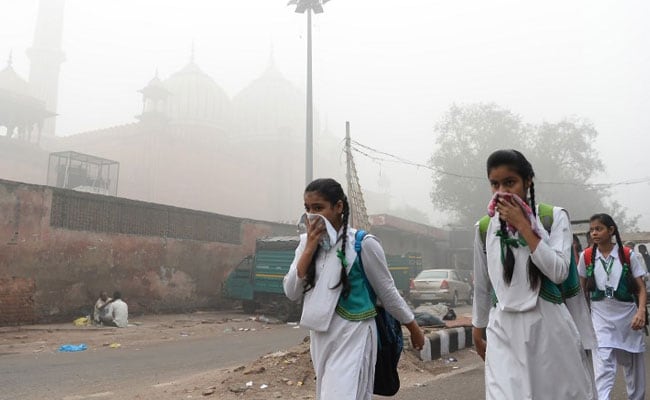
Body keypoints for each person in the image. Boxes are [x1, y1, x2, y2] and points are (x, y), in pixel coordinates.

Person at [283, 178, 425, 400]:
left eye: (318, 208)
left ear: (338, 207)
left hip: (355, 332)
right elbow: (291, 291)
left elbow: (388, 292)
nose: (312, 215)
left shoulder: (363, 243)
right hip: (321, 335)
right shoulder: (306, 244)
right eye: (308, 209)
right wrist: (309, 248)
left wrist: (413, 327)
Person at [472, 149, 596, 399]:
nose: (501, 192)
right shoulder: (484, 227)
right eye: (495, 184)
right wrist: (478, 327)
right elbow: (482, 285)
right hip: (503, 329)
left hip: (548, 328)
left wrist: (525, 227)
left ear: (528, 181)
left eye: (510, 182)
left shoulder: (553, 217)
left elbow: (559, 272)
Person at [578, 214, 646, 400]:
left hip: (628, 319)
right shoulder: (587, 256)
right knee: (603, 365)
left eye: (598, 229)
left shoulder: (627, 255)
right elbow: (580, 290)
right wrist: (582, 320)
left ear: (611, 230)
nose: (594, 233)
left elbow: (641, 289)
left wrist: (641, 312)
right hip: (601, 319)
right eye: (592, 230)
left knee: (634, 368)